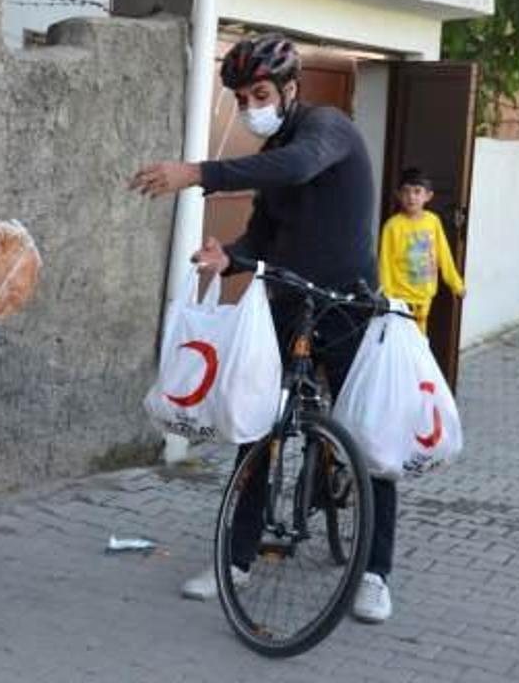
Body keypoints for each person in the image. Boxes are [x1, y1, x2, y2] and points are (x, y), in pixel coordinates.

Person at [131, 34, 397, 623]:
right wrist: (229, 256)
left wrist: (198, 171)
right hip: (285, 304)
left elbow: (298, 165)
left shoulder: (327, 129)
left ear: (290, 90)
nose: (251, 104)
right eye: (242, 96)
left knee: (370, 441)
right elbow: (261, 236)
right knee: (258, 430)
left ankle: (375, 572)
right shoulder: (272, 152)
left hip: (346, 305)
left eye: (260, 93)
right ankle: (237, 559)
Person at [379, 168, 466, 335]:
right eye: (406, 191)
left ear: (428, 196)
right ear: (398, 195)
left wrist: (456, 284)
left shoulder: (433, 221)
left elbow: (444, 255)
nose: (411, 197)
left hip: (425, 299)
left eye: (417, 192)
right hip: (401, 301)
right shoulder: (392, 226)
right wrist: (388, 297)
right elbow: (385, 264)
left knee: (419, 345)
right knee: (402, 347)